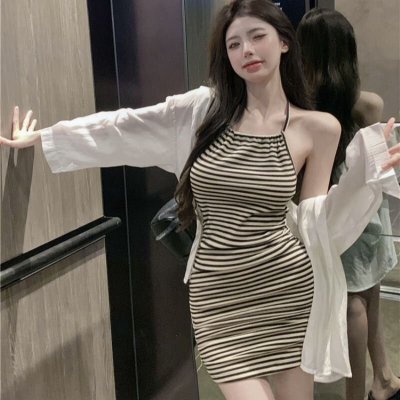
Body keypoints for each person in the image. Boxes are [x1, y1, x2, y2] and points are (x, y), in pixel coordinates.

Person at [0, 1, 398, 399]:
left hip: (286, 292)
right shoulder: (203, 112)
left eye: (257, 36)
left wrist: (365, 174)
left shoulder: (319, 128)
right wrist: (47, 137)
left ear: (284, 42)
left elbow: (316, 222)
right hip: (217, 297)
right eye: (234, 43)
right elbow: (126, 126)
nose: (246, 50)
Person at [297, 8, 400, 400]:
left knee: (354, 300)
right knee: (364, 297)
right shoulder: (366, 105)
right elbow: (379, 157)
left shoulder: (300, 106)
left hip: (331, 213)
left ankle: (376, 383)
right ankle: (375, 384)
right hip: (367, 214)